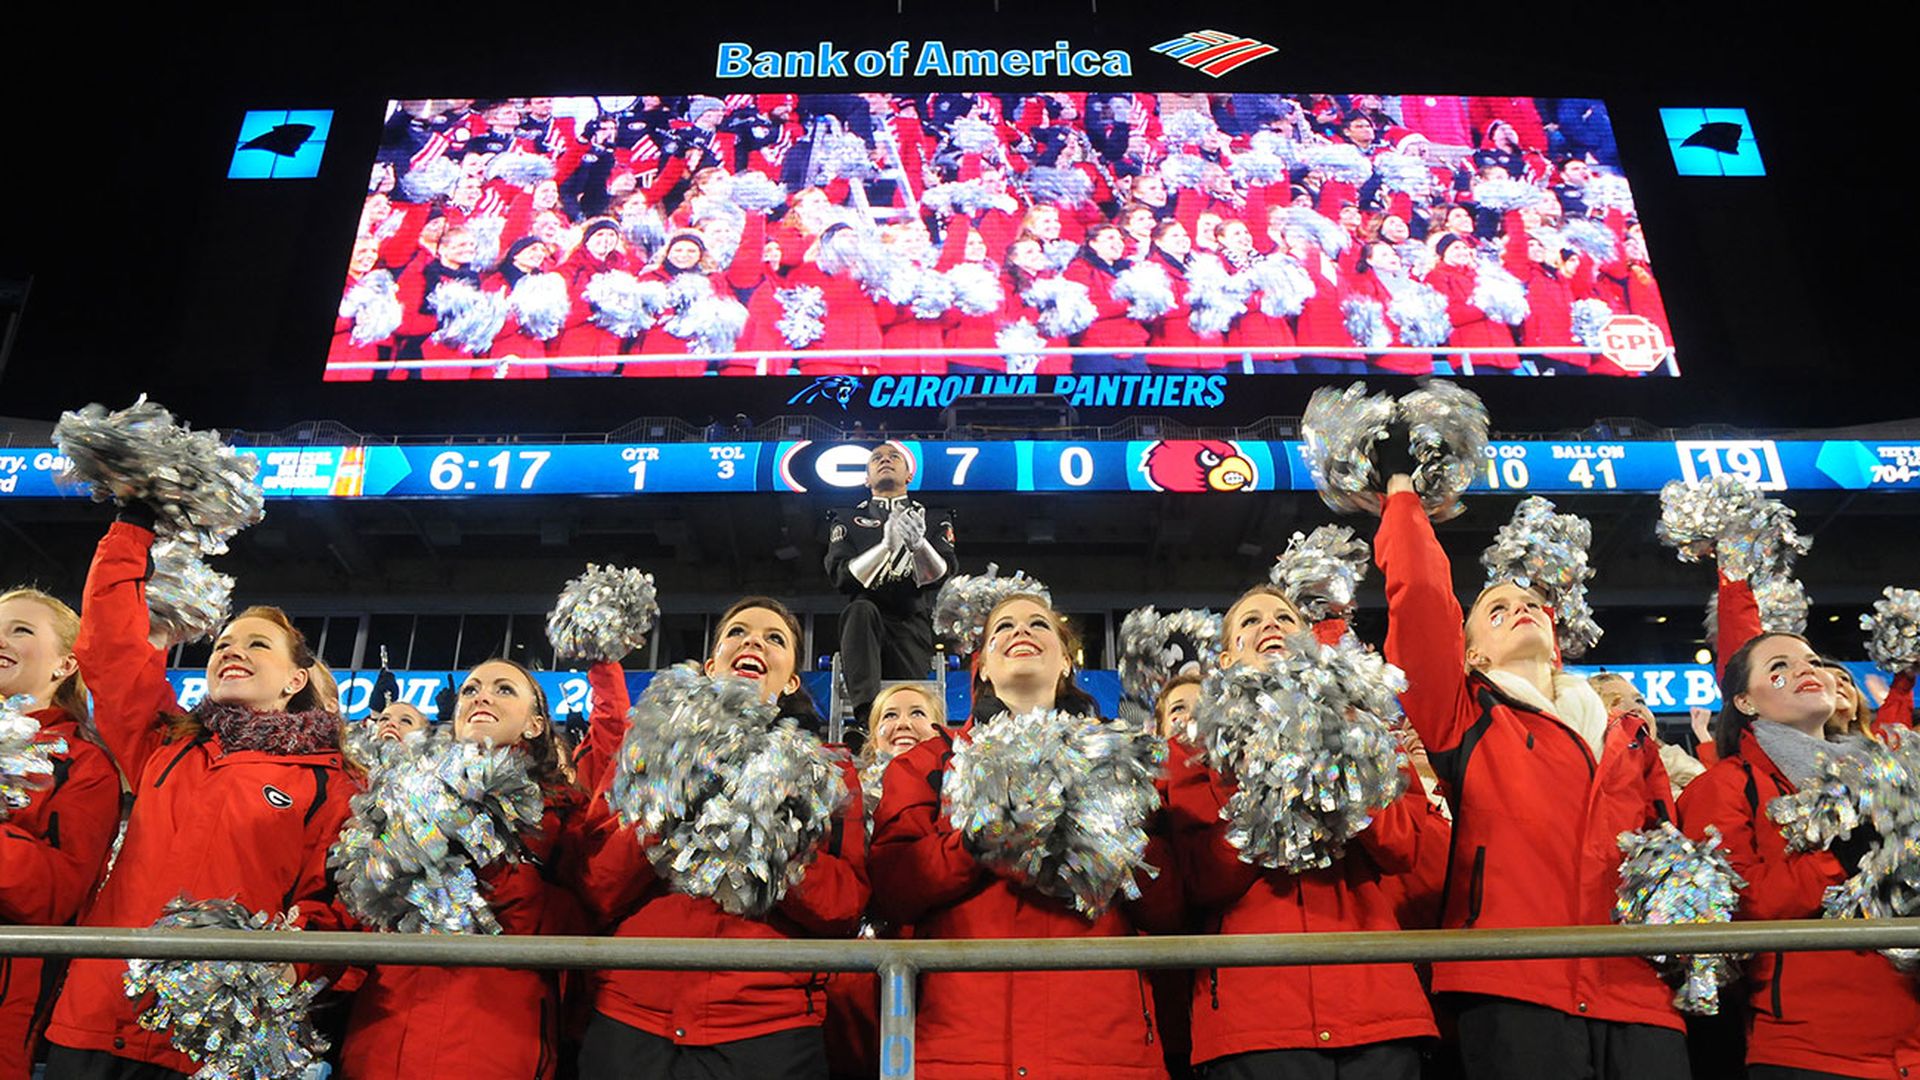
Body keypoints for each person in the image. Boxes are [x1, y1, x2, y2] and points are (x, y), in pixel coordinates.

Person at [1373, 473, 1686, 1080]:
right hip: (1514, 980)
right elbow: (1419, 605)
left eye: (1530, 605)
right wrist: (1404, 499)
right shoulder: (1464, 713)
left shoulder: (1630, 736)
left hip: (1637, 986)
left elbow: (1667, 855)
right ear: (1472, 655)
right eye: (1496, 609)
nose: (1520, 608)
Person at [43, 508, 357, 1078]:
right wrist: (133, 525)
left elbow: (334, 907)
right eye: (224, 643)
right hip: (95, 1014)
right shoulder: (166, 743)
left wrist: (288, 968)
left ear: (295, 681)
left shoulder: (332, 783)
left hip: (211, 1039)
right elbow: (112, 652)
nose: (231, 650)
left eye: (258, 644)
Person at [870, 589, 1180, 1079]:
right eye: (1003, 628)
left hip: (1102, 1051)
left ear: (1064, 663)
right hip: (961, 1049)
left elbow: (1166, 908)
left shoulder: (1126, 763)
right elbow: (893, 891)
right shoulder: (927, 764)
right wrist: (979, 838)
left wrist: (1119, 840)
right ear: (984, 670)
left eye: (1039, 625)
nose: (1021, 632)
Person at [566, 597, 868, 1079]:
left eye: (775, 639)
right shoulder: (642, 748)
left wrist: (764, 838)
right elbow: (596, 888)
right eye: (738, 632)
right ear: (710, 665)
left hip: (769, 1027)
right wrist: (670, 807)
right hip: (632, 1017)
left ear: (791, 680)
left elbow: (844, 908)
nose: (753, 641)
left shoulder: (829, 771)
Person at [1168, 584, 1439, 1080]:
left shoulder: (1366, 724)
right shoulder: (1194, 752)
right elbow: (1208, 879)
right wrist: (1263, 777)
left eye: (1284, 617)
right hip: (1255, 1021)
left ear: (1311, 641)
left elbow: (1403, 847)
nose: (1269, 624)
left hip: (1375, 1012)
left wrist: (1338, 762)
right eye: (1249, 621)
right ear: (1226, 659)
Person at [1676, 633, 1920, 1078]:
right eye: (1780, 667)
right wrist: (1844, 856)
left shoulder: (1889, 773)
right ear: (1745, 702)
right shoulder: (1725, 785)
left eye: (1812, 660)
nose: (1807, 670)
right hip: (1812, 1049)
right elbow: (1738, 908)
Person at [340, 659, 586, 1079]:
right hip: (384, 1027)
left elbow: (574, 920)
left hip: (492, 1034)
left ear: (534, 724)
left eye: (504, 689)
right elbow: (361, 912)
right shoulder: (397, 790)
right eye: (471, 690)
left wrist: (488, 859)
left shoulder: (561, 810)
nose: (482, 696)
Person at [0, 590, 120, 1080]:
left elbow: (54, 895)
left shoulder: (83, 765)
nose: (1, 638)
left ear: (64, 665)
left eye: (20, 630)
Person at [824, 443, 955, 738]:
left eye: (894, 457)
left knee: (906, 695)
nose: (885, 460)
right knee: (860, 608)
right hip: (864, 621)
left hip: (911, 621)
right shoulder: (845, 519)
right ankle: (867, 720)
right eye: (876, 458)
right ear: (866, 479)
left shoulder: (934, 518)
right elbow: (841, 576)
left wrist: (919, 546)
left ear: (909, 475)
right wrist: (885, 547)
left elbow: (943, 574)